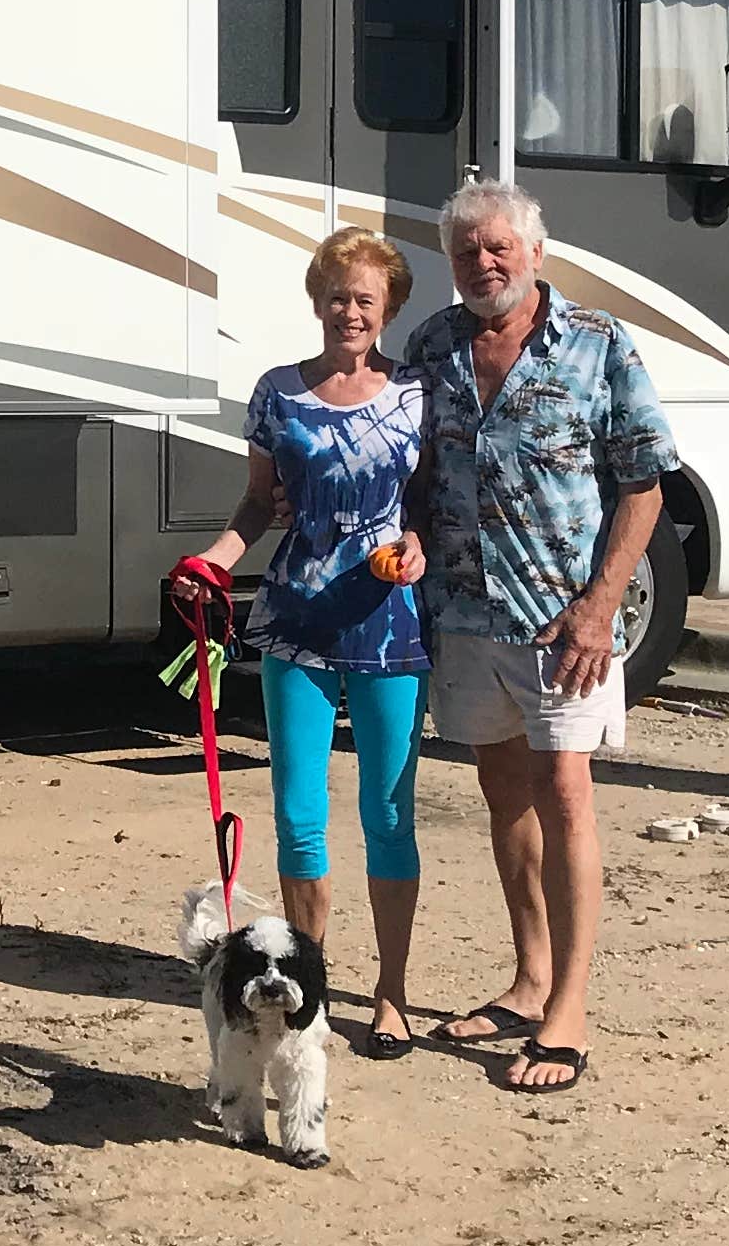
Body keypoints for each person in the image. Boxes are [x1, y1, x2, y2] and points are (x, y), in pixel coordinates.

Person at [400, 178, 678, 1096]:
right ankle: (527, 978)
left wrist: (602, 608)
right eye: (466, 252)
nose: (483, 265)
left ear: (534, 254)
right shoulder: (433, 348)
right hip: (465, 615)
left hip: (566, 622)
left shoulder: (599, 345)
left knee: (565, 793)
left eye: (498, 249)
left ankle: (570, 1008)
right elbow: (412, 465)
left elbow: (644, 486)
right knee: (501, 790)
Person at [179, 226, 432, 1055]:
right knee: (297, 820)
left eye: (364, 297)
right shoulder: (277, 393)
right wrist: (215, 562)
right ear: (315, 300)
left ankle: (391, 993)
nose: (347, 310)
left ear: (387, 307)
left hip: (389, 626)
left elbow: (432, 503)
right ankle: (306, 991)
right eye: (335, 294)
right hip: (294, 621)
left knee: (389, 814)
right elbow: (259, 503)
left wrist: (420, 542)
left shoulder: (416, 394)